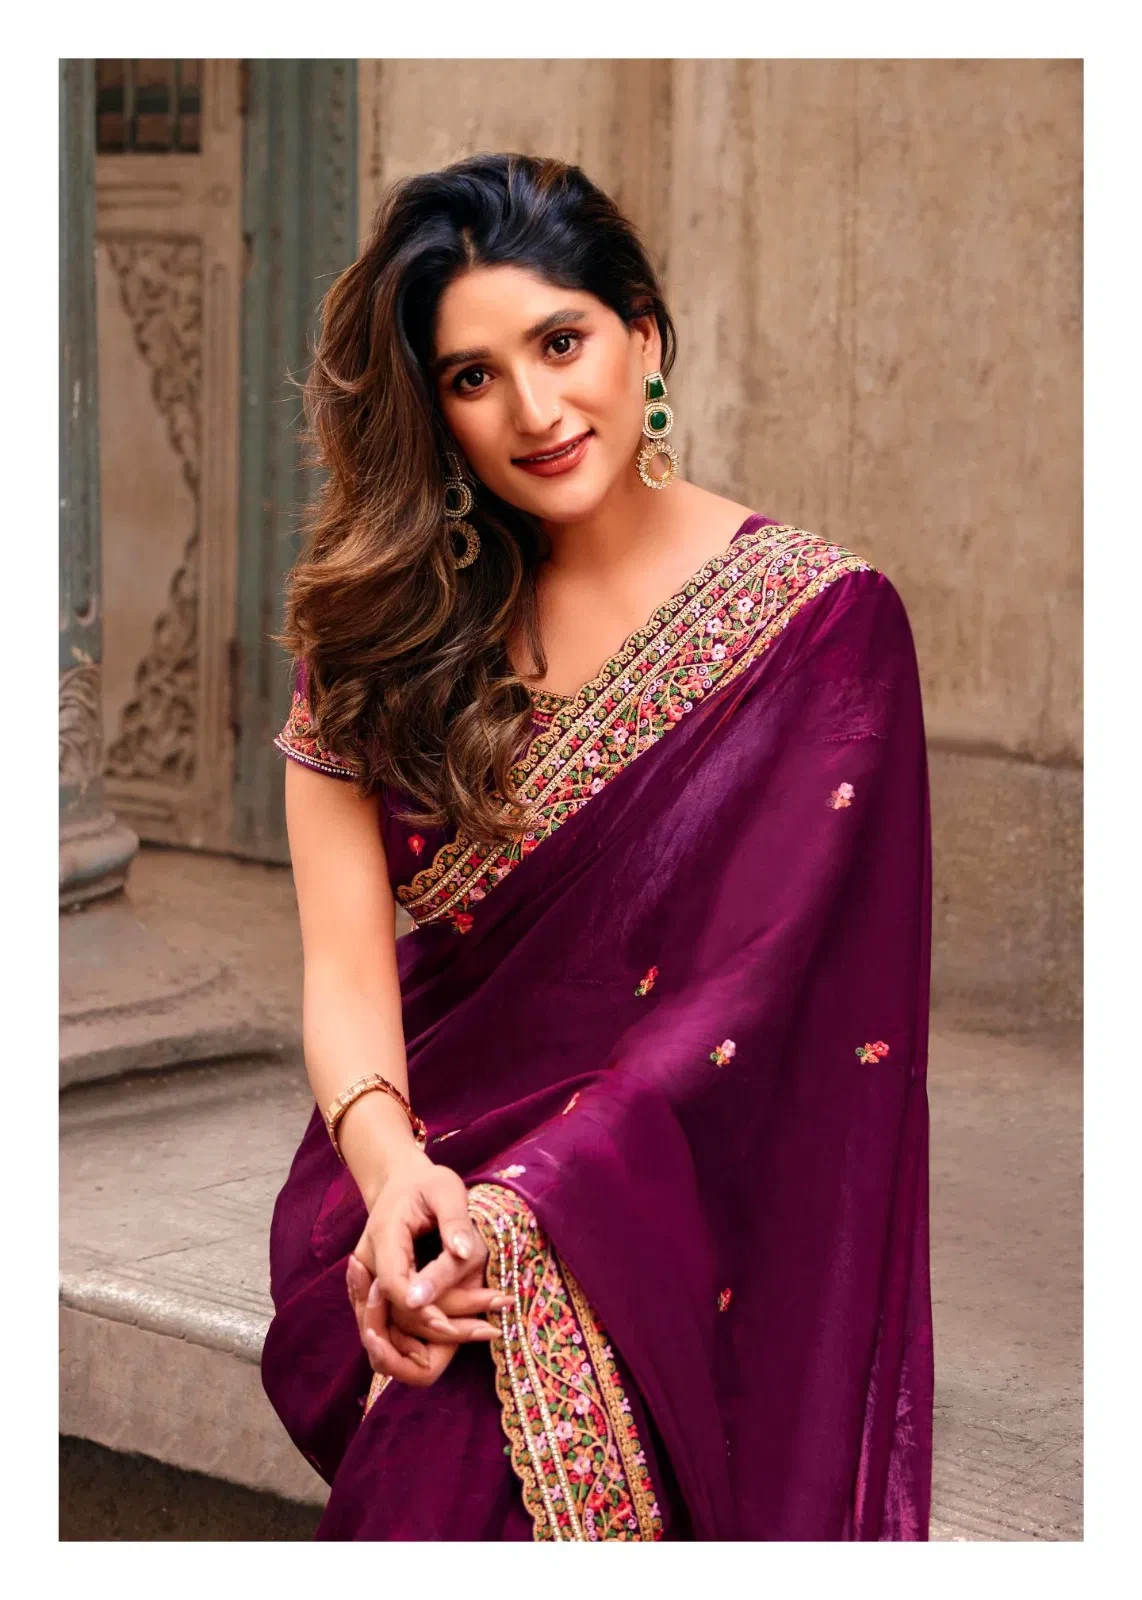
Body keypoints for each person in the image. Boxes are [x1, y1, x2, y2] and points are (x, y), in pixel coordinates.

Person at [261, 151, 934, 1542]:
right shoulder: (378, 632)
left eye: (561, 343)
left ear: (643, 336)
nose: (534, 410)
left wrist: (528, 1207)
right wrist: (396, 1178)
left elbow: (747, 1006)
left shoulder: (820, 624)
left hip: (673, 1191)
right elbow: (343, 966)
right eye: (473, 376)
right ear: (433, 409)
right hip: (416, 1161)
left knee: (455, 1440)